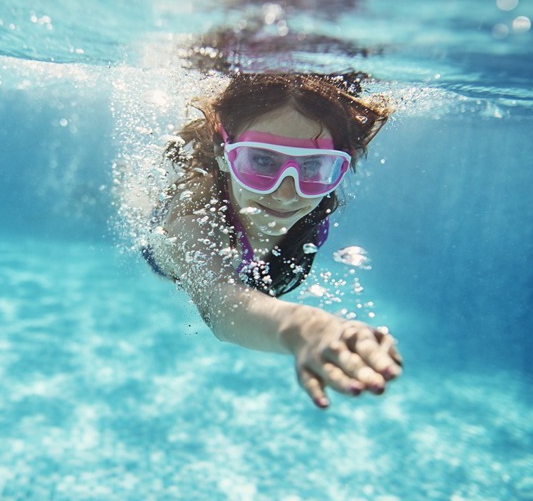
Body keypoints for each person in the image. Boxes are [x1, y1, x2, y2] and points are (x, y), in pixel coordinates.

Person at [141, 72, 403, 408]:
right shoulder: (194, 220)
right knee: (137, 198)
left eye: (314, 167)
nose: (286, 193)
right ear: (225, 151)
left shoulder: (314, 210)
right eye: (262, 160)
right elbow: (222, 305)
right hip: (163, 240)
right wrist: (307, 327)